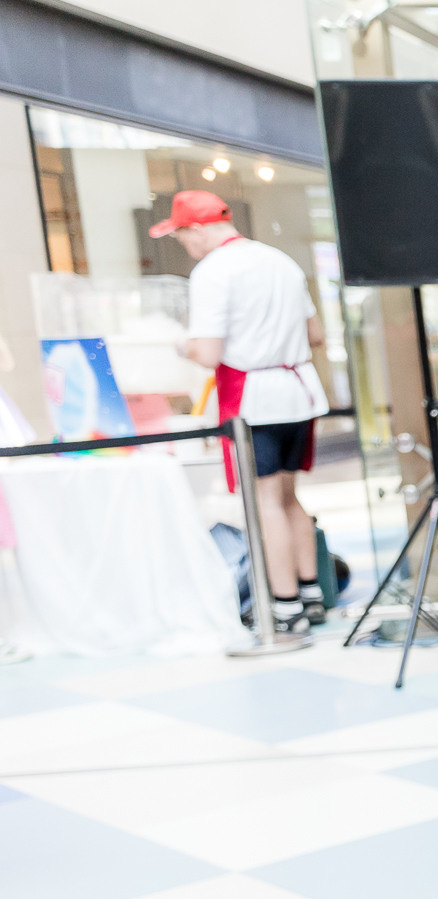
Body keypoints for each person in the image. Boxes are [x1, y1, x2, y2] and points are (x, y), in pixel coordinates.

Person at [166, 190, 331, 629]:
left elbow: (207, 352)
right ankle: (311, 593)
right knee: (290, 496)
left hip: (255, 399)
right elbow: (315, 334)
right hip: (298, 391)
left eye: (182, 237)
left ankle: (285, 604)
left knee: (265, 503)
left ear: (196, 230)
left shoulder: (212, 271)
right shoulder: (280, 261)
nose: (185, 245)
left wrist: (179, 343)